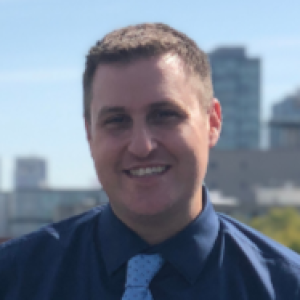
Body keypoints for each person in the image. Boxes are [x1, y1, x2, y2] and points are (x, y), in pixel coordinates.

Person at [0, 23, 299, 300]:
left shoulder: (284, 287)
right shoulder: (14, 278)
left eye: (164, 115)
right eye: (117, 121)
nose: (142, 146)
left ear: (213, 122)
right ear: (89, 134)